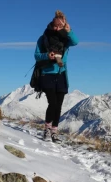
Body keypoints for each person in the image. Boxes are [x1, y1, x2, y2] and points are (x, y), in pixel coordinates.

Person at [34, 10, 79, 142]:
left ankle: (54, 132)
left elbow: (76, 41)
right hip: (47, 74)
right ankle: (47, 130)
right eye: (56, 25)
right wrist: (47, 56)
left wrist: (69, 30)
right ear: (52, 24)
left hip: (61, 74)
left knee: (58, 105)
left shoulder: (66, 39)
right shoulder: (43, 38)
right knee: (52, 103)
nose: (57, 28)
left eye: (60, 26)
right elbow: (36, 55)